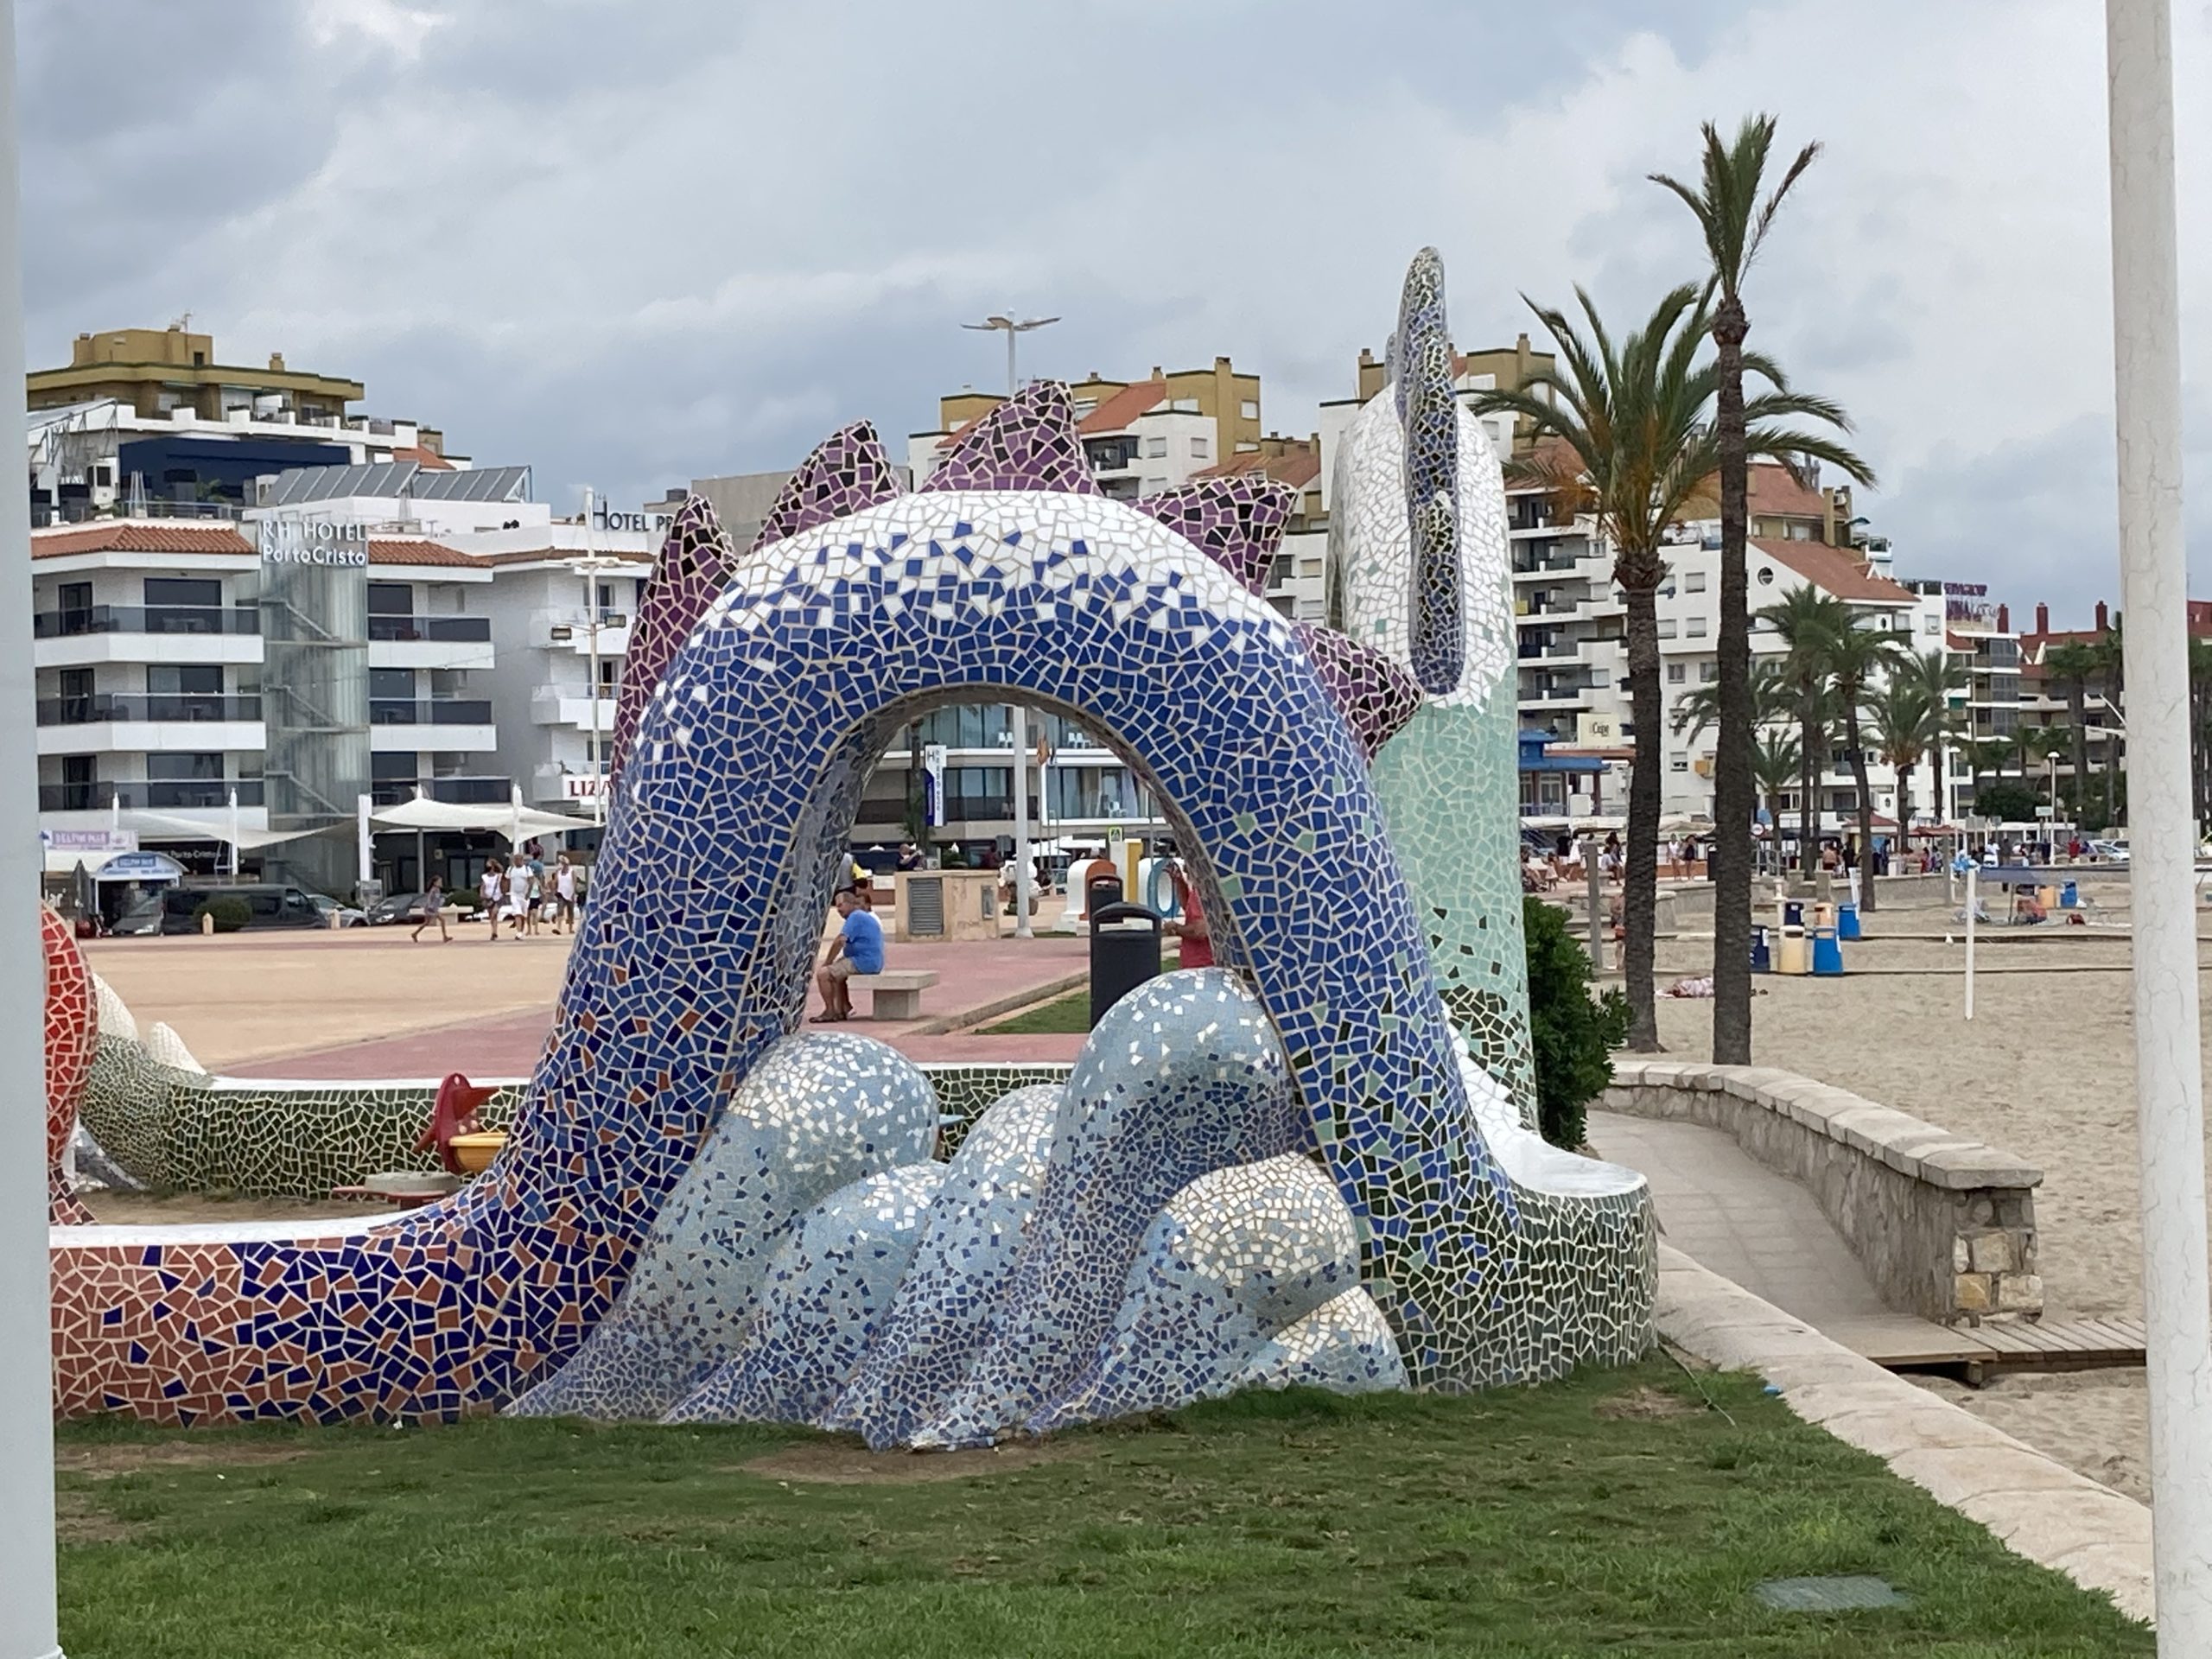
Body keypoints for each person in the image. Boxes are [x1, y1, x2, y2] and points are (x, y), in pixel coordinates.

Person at [814, 887, 885, 1022]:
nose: (838, 909)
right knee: (836, 975)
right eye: (836, 906)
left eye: (841, 905)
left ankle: (829, 1011)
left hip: (863, 961)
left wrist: (828, 962)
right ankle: (842, 1009)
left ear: (851, 903)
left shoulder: (855, 916)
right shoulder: (861, 917)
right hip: (871, 961)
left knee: (823, 974)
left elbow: (840, 941)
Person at [1164, 859, 1213, 969]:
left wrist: (1176, 928)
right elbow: (1188, 906)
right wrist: (1179, 881)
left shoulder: (1203, 893)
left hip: (1202, 964)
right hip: (1193, 962)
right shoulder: (1199, 889)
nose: (1185, 868)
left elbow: (1200, 931)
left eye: (1187, 862)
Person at [410, 876, 450, 944]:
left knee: (427, 922)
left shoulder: (437, 890)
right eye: (439, 882)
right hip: (431, 909)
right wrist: (430, 907)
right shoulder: (434, 890)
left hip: (433, 908)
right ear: (435, 883)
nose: (441, 883)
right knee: (442, 920)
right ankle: (445, 937)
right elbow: (429, 899)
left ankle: (415, 934)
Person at [552, 854, 579, 934]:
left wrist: (574, 893)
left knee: (570, 911)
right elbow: (555, 882)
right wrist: (554, 890)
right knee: (560, 910)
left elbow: (574, 882)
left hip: (570, 893)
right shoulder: (558, 872)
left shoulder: (572, 871)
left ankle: (570, 928)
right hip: (561, 893)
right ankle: (559, 927)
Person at [480, 858, 505, 942]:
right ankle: (494, 932)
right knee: (492, 916)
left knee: (494, 913)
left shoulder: (498, 876)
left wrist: (496, 863)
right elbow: (483, 887)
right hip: (488, 897)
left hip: (498, 897)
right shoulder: (484, 877)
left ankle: (494, 932)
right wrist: (483, 896)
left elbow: (502, 870)